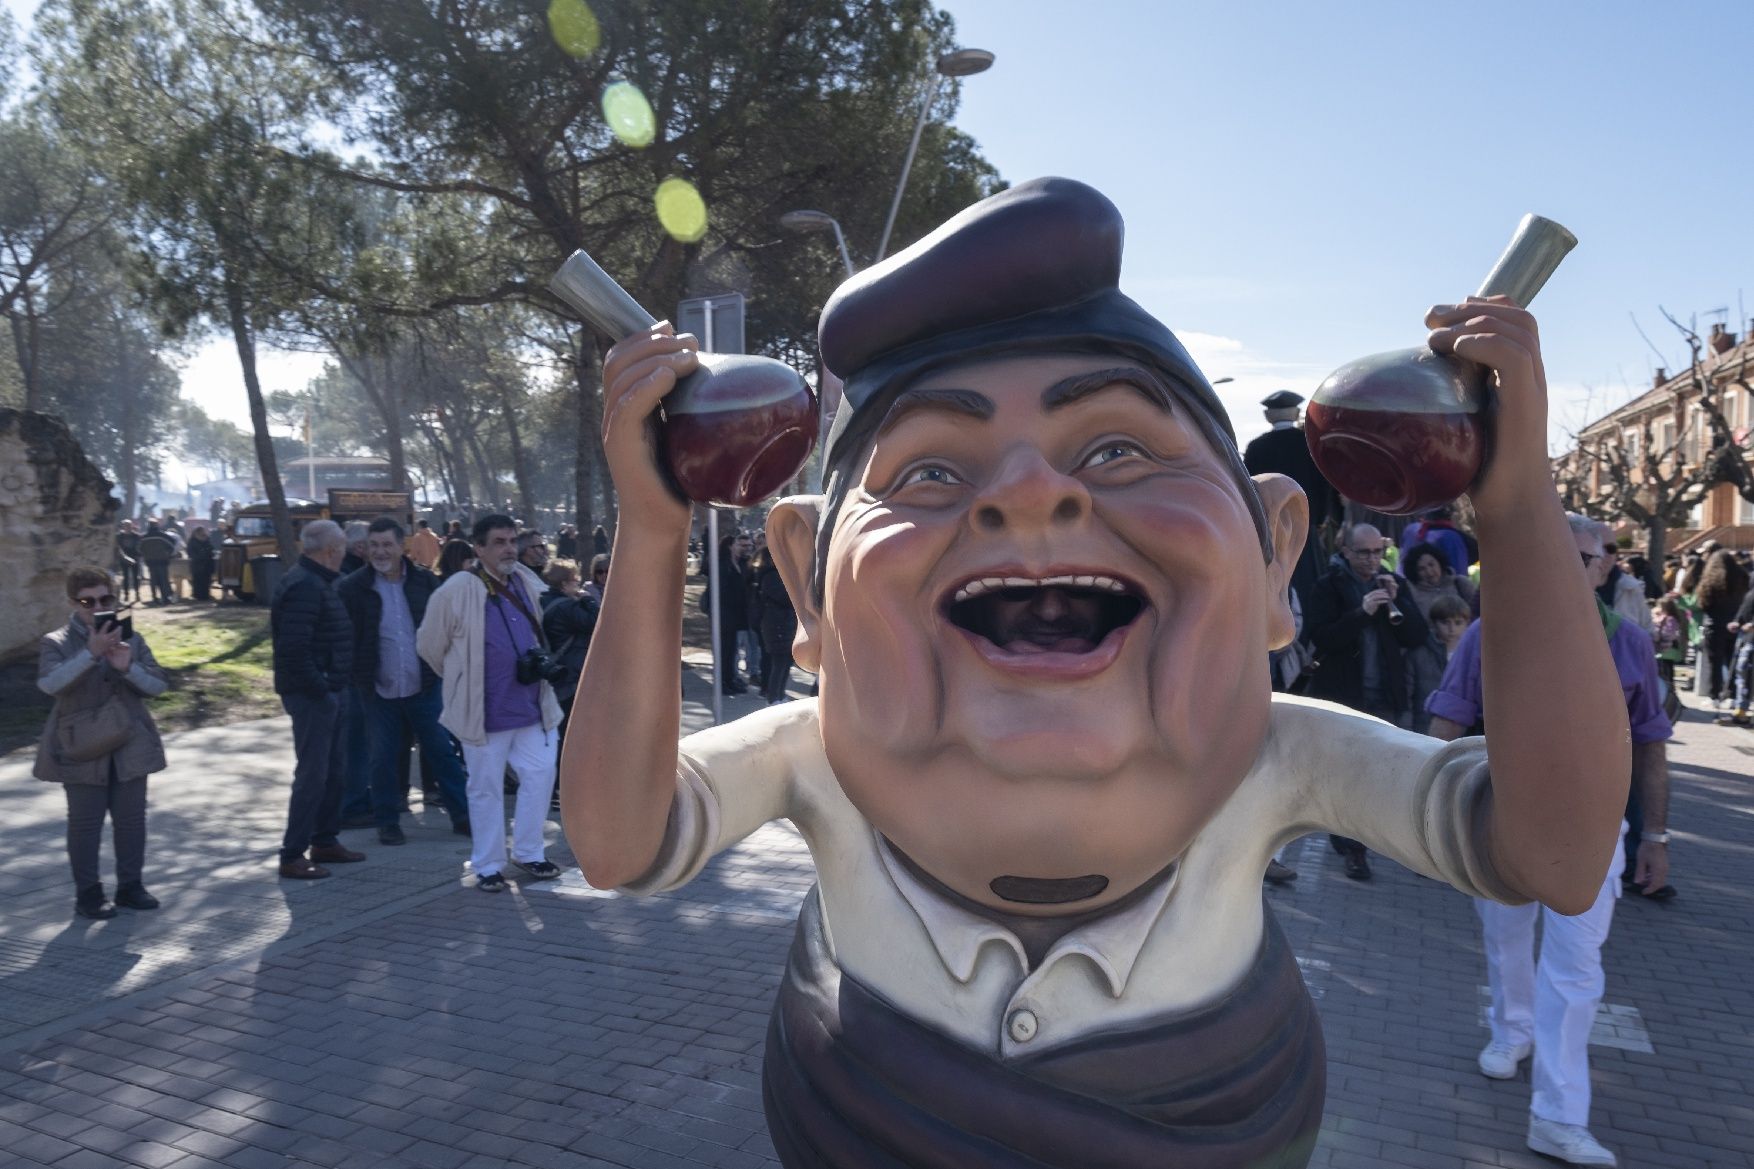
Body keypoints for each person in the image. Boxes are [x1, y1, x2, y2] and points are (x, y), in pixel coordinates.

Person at [563, 178, 1631, 1169]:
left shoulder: (1282, 753)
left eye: (1115, 448)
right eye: (930, 469)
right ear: (808, 581)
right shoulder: (814, 760)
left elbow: (1551, 850)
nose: (1027, 494)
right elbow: (618, 842)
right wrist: (653, 530)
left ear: (1272, 550)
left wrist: (1515, 497)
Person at [1427, 512, 1672, 1168]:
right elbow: (1446, 719)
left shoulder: (1630, 643)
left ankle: (1558, 1116)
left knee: (1575, 969)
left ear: (1603, 567)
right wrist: (1421, 819)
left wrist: (1657, 834)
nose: (1573, 565)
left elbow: (1651, 744)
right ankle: (1511, 1032)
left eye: (1586, 555)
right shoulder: (1490, 631)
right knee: (1506, 937)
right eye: (1559, 553)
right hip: (1501, 822)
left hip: (1593, 833)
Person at [417, 514, 564, 892]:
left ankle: (529, 852)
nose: (509, 548)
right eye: (499, 542)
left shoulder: (526, 582)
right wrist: (460, 680)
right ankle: (488, 863)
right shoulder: (457, 589)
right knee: (484, 789)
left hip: (531, 707)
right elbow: (429, 645)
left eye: (512, 540)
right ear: (479, 548)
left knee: (540, 774)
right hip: (483, 712)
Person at [35, 568, 169, 919]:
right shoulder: (57, 641)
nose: (97, 607)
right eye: (87, 601)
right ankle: (89, 894)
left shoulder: (132, 639)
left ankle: (130, 887)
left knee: (131, 821)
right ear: (72, 602)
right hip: (80, 744)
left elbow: (158, 687)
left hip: (130, 742)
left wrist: (128, 668)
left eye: (104, 599)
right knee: (84, 823)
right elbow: (49, 684)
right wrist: (89, 654)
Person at [1303, 521, 1431, 878]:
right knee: (1344, 772)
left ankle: (1359, 839)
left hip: (1386, 695)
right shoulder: (1327, 585)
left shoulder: (1393, 584)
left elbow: (1416, 635)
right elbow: (1323, 637)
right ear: (1346, 552)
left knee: (1375, 774)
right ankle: (1351, 845)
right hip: (1345, 695)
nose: (1372, 560)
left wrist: (1398, 600)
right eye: (1364, 552)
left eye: (1378, 552)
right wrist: (1362, 612)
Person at [337, 517, 471, 844]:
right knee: (382, 757)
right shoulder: (352, 587)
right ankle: (388, 821)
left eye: (387, 545)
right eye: (374, 546)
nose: (381, 552)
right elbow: (343, 636)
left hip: (424, 686)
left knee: (441, 750)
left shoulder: (426, 582)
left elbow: (449, 628)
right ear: (366, 549)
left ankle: (464, 816)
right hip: (377, 690)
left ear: (402, 547)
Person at [270, 520, 365, 879]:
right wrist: (323, 689)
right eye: (342, 547)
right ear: (331, 551)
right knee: (313, 775)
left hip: (329, 692)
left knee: (333, 772)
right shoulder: (305, 585)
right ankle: (292, 853)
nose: (347, 553)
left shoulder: (320, 581)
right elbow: (294, 650)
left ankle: (324, 840)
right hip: (313, 697)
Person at [1242, 390, 1339, 609]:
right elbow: (1323, 484)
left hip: (1270, 525)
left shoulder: (1257, 447)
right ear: (1296, 413)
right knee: (1311, 578)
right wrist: (1320, 519)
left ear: (1269, 416)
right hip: (1306, 522)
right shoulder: (1309, 444)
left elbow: (1249, 489)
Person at [1404, 593, 1472, 736]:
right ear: (1434, 623)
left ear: (1467, 624)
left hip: (1465, 731)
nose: (1452, 629)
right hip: (1423, 726)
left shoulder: (1473, 654)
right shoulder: (1418, 654)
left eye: (1458, 622)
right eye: (1445, 622)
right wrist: (1406, 731)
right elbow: (1406, 696)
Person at [1693, 548, 1749, 706]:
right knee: (1733, 660)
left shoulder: (1710, 579)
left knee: (1714, 662)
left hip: (1714, 624)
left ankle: (1714, 695)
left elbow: (1703, 603)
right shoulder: (1742, 577)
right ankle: (1732, 695)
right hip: (1735, 623)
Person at [752, 546, 797, 703]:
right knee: (778, 663)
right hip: (776, 625)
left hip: (784, 624)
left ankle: (780, 694)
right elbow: (784, 597)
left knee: (786, 662)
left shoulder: (779, 575)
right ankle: (773, 697)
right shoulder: (770, 576)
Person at [709, 530, 752, 694]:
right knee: (724, 650)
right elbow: (720, 590)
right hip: (723, 615)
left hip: (735, 615)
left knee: (732, 650)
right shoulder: (721, 565)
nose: (739, 547)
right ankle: (722, 682)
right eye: (736, 544)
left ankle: (730, 679)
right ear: (729, 547)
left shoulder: (739, 563)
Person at [1402, 540, 1478, 622]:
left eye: (1431, 565)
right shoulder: (1410, 592)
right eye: (1421, 569)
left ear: (1439, 562)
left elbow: (1478, 613)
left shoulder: (1460, 583)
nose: (1429, 572)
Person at [1713, 584, 1754, 727]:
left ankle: (1741, 709)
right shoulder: (1750, 592)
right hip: (1747, 638)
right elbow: (1745, 610)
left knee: (1745, 672)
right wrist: (1737, 621)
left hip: (1750, 638)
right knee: (1743, 672)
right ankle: (1741, 710)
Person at [1398, 504, 1473, 575]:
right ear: (1453, 516)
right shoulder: (1451, 537)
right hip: (1439, 586)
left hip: (1405, 584)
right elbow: (1459, 574)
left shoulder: (1411, 529)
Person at [137, 521, 177, 605]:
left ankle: (154, 598)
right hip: (162, 560)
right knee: (163, 580)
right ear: (157, 525)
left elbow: (138, 549)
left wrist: (145, 554)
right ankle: (165, 598)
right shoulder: (161, 535)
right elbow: (173, 542)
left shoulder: (144, 537)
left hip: (150, 561)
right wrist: (168, 553)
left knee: (153, 580)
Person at [186, 523, 216, 602]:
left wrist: (207, 553)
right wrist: (200, 555)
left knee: (206, 581)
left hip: (207, 564)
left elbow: (211, 550)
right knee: (197, 581)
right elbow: (190, 552)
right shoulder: (192, 541)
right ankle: (197, 595)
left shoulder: (207, 540)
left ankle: (205, 595)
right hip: (197, 564)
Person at [115, 520, 142, 603]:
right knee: (125, 577)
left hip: (135, 558)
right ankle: (126, 594)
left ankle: (137, 594)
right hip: (124, 559)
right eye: (126, 525)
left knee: (136, 577)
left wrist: (138, 555)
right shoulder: (119, 536)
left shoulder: (136, 536)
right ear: (123, 526)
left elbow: (140, 547)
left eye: (129, 525)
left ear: (131, 526)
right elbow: (117, 547)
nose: (127, 527)